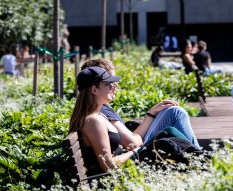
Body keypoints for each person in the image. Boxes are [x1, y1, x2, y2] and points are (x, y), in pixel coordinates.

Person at [69, 64, 200, 174]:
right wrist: (137, 151)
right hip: (122, 174)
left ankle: (201, 160)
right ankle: (202, 162)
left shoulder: (99, 116)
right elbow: (108, 165)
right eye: (108, 84)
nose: (113, 87)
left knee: (169, 132)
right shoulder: (93, 121)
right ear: (94, 90)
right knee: (169, 134)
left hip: (129, 163)